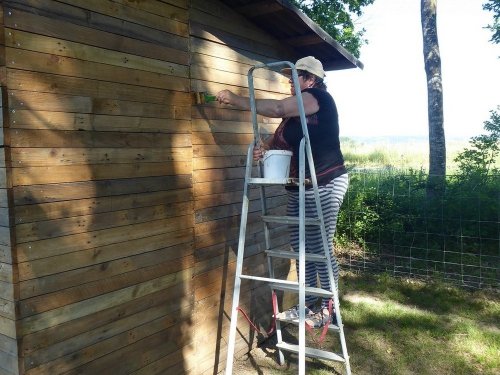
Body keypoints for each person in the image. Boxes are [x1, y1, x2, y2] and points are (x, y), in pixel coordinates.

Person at [216, 56, 348, 327]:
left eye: (295, 75)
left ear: (310, 80)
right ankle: (309, 303)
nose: (290, 80)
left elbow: (276, 107)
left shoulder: (317, 97)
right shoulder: (292, 120)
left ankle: (329, 307)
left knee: (320, 247)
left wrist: (236, 99)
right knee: (302, 247)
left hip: (324, 182)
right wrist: (264, 151)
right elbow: (277, 145)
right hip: (298, 187)